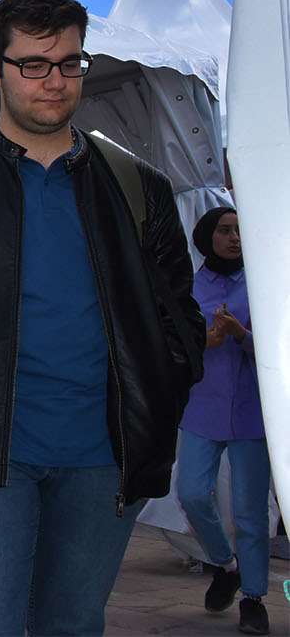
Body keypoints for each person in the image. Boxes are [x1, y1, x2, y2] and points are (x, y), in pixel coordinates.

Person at [0, 0, 205, 636]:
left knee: (73, 624)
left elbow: (179, 321)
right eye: (33, 64)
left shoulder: (139, 187)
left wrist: (157, 399)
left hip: (104, 460)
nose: (54, 82)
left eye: (69, 63)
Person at [176, 207, 270, 635]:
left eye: (239, 230)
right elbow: (176, 343)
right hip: (202, 407)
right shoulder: (189, 286)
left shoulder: (262, 284)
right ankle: (225, 564)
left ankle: (253, 598)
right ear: (206, 237)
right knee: (192, 493)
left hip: (252, 412)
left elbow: (277, 346)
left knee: (250, 511)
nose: (234, 238)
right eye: (225, 230)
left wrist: (241, 336)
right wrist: (205, 341)